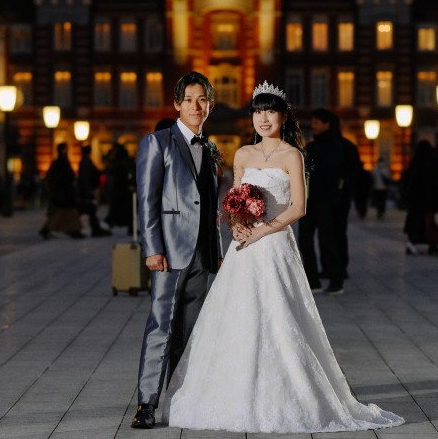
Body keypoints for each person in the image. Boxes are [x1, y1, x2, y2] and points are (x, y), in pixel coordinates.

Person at [160, 82, 404, 433]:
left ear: (283, 116)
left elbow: (299, 208)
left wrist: (262, 229)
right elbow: (236, 199)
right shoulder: (243, 154)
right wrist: (238, 226)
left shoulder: (293, 154)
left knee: (279, 313)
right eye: (258, 111)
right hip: (244, 247)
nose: (263, 118)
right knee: (238, 313)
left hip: (275, 244)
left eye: (270, 111)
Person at [131, 72, 224, 429]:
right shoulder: (157, 143)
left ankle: (181, 398)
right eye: (188, 100)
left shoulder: (210, 147)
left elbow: (208, 202)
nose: (195, 106)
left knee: (192, 330)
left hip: (202, 254)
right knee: (161, 327)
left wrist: (215, 250)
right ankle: (146, 403)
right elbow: (148, 201)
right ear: (176, 104)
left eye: (202, 100)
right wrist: (152, 249)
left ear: (210, 105)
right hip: (169, 253)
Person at [298, 108, 346, 295]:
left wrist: (309, 163)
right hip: (310, 199)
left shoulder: (334, 144)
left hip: (326, 199)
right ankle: (313, 280)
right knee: (305, 240)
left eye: (317, 121)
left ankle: (336, 279)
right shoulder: (313, 144)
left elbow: (329, 168)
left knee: (327, 240)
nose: (313, 124)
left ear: (326, 124)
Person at [333, 114, 361, 281]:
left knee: (328, 232)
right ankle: (341, 267)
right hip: (344, 194)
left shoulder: (332, 146)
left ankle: (332, 266)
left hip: (333, 193)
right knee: (340, 231)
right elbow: (356, 169)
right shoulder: (349, 145)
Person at [39, 143, 84, 239]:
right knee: (64, 213)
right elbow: (60, 178)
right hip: (63, 192)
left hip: (63, 192)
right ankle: (73, 230)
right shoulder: (60, 163)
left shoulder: (61, 162)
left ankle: (72, 230)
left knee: (60, 213)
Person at [77, 145, 110, 237]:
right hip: (87, 190)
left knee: (90, 210)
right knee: (89, 209)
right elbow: (86, 178)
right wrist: (89, 190)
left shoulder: (84, 162)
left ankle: (95, 229)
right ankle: (95, 229)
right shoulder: (86, 163)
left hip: (86, 190)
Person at [104, 144, 136, 235]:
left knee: (116, 212)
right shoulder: (121, 167)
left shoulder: (115, 166)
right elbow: (123, 180)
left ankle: (111, 226)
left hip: (118, 193)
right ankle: (129, 227)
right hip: (122, 194)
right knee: (126, 211)